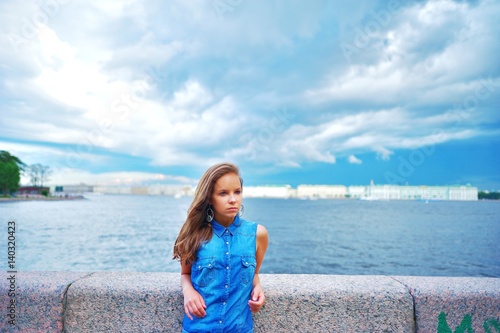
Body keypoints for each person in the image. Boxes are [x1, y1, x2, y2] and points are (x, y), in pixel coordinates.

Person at [173, 162, 268, 333]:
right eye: (223, 193)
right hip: (198, 328)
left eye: (237, 192)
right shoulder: (194, 234)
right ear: (209, 197)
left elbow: (254, 274)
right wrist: (188, 292)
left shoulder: (257, 234)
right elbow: (185, 274)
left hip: (240, 328)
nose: (233, 199)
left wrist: (258, 288)